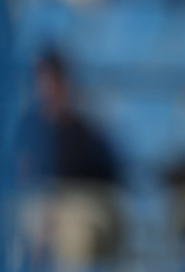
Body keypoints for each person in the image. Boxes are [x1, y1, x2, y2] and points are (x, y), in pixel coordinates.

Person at [24, 52, 120, 187]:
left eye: (47, 84)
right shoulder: (28, 132)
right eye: (37, 84)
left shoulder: (88, 138)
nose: (40, 93)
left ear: (62, 85)